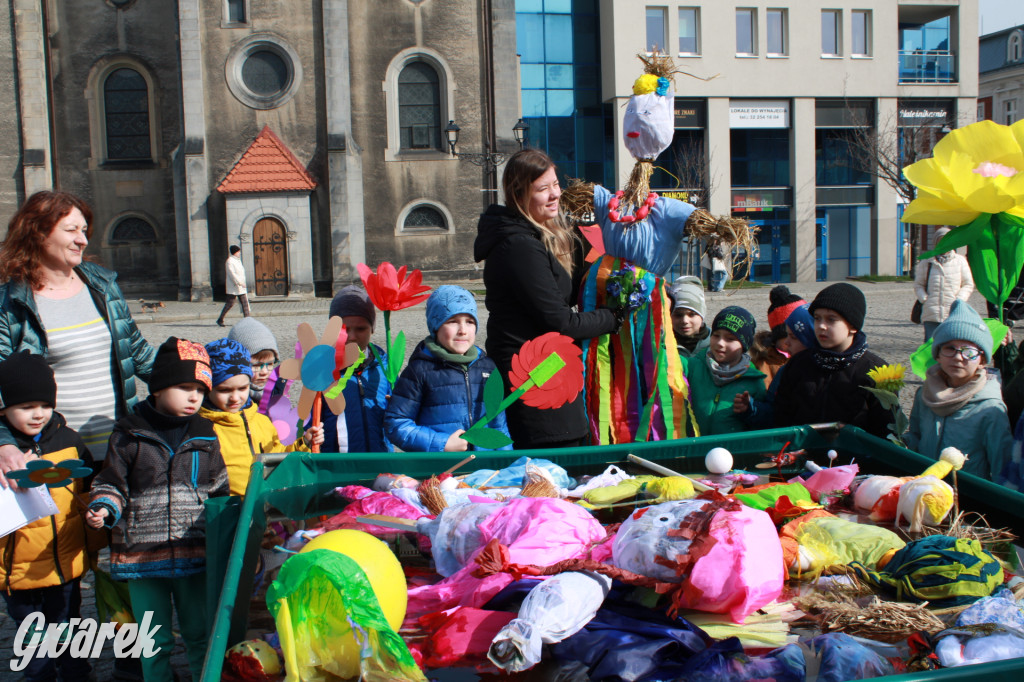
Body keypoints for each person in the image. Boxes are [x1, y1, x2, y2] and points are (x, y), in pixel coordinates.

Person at [85, 337, 228, 682]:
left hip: (195, 553)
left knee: (199, 634)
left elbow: (220, 489)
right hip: (142, 556)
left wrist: (230, 525)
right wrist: (104, 507)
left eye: (200, 388)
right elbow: (112, 482)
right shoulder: (129, 433)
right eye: (184, 387)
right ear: (159, 386)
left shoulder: (206, 435)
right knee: (154, 640)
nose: (195, 396)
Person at [0, 190, 155, 486]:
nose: (83, 240)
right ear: (37, 233)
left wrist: (206, 381)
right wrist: (4, 444)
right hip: (53, 457)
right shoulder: (9, 304)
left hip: (118, 451)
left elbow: (137, 353)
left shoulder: (102, 286)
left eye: (84, 230)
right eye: (71, 230)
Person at [473, 149, 620, 449]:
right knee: (554, 464)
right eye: (543, 189)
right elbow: (561, 321)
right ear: (518, 194)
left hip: (551, 366)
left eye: (555, 184)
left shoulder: (546, 234)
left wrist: (629, 279)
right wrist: (614, 317)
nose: (555, 195)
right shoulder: (519, 247)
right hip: (532, 375)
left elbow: (585, 277)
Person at [0, 352, 100, 682]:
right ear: (4, 408)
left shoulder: (69, 441)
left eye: (44, 405)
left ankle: (77, 674)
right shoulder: (4, 452)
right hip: (19, 572)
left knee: (70, 627)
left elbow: (86, 491)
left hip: (67, 562)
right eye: (26, 407)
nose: (37, 414)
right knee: (34, 638)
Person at [384, 286, 512, 452]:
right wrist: (442, 443)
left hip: (484, 470)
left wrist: (505, 463)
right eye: (452, 321)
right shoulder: (420, 370)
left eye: (470, 322)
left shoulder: (487, 367)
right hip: (440, 471)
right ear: (436, 327)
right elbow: (397, 423)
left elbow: (498, 425)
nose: (463, 330)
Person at [904, 300, 1012, 481]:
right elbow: (915, 436)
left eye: (968, 351)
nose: (958, 357)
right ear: (937, 354)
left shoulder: (990, 408)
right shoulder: (925, 394)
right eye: (949, 348)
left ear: (982, 359)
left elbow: (1000, 464)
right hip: (923, 490)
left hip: (968, 500)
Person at [200, 338, 323, 496]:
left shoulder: (261, 422)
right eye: (225, 390)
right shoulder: (205, 429)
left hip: (264, 509)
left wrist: (304, 442)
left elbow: (278, 458)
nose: (235, 398)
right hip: (228, 513)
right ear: (208, 388)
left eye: (242, 388)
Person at [773, 282, 891, 438]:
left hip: (855, 459)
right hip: (801, 455)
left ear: (853, 326)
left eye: (831, 319)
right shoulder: (799, 364)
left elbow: (886, 431)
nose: (821, 326)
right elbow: (781, 417)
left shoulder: (877, 370)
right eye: (817, 318)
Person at [317, 285, 393, 453]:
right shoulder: (323, 371)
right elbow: (310, 422)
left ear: (372, 329)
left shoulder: (386, 368)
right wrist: (309, 436)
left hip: (380, 463)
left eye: (360, 329)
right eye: (344, 329)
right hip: (338, 468)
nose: (351, 337)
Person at [682, 306, 767, 436]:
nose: (720, 343)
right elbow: (664, 358)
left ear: (744, 345)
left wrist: (750, 410)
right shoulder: (693, 366)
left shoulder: (753, 382)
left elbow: (762, 426)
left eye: (730, 339)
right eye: (716, 335)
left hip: (731, 453)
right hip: (693, 450)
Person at [914, 227, 974, 341]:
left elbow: (968, 284)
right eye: (941, 240)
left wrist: (959, 299)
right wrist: (924, 298)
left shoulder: (960, 261)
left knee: (949, 344)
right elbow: (918, 284)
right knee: (930, 347)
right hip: (931, 313)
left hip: (952, 312)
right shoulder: (927, 261)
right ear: (936, 242)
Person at [228, 317, 282, 409]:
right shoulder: (233, 401)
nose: (264, 372)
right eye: (256, 365)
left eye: (269, 364)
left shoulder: (278, 389)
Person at [669, 275, 710, 359]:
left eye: (692, 314)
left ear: (702, 315)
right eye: (678, 315)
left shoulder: (714, 345)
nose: (684, 321)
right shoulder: (663, 345)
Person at [217, 245, 250, 327]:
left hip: (240, 287)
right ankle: (220, 319)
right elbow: (232, 274)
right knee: (229, 304)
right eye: (238, 252)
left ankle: (248, 320)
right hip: (234, 286)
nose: (239, 253)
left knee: (245, 303)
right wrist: (239, 283)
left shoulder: (238, 261)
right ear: (235, 252)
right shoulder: (230, 261)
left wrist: (242, 283)